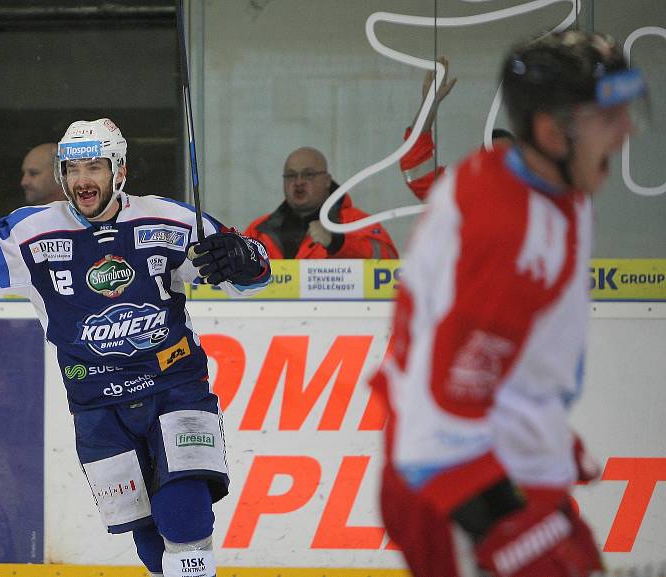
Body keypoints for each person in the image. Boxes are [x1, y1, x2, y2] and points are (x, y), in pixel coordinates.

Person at [0, 118, 271, 577]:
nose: (83, 179)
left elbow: (251, 275)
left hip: (175, 385)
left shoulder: (170, 218)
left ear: (119, 171)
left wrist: (244, 259)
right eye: (72, 168)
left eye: (95, 166)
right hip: (96, 405)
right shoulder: (30, 232)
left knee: (185, 513)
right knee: (148, 538)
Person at [371, 31, 647, 577]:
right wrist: (503, 524)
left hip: (501, 459)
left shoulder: (538, 185)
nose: (627, 132)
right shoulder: (514, 238)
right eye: (608, 118)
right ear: (551, 132)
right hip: (456, 480)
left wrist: (541, 432)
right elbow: (440, 417)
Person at [244, 146, 399, 259]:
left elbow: (390, 263)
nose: (298, 182)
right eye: (291, 176)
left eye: (308, 174)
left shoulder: (356, 223)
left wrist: (338, 243)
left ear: (327, 181)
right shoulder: (259, 231)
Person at [399, 58, 516, 201]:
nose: (498, 163)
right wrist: (429, 104)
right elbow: (416, 169)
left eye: (506, 156)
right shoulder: (463, 188)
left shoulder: (537, 197)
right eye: (492, 156)